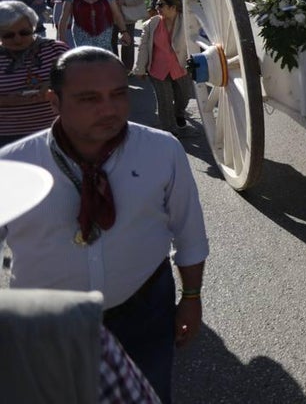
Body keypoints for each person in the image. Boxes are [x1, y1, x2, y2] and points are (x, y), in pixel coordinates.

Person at [0, 46, 209, 402]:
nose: (109, 109)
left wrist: (191, 297)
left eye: (118, 94)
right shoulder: (13, 166)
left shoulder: (162, 150)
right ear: (54, 101)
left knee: (150, 392)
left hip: (144, 312)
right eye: (88, 98)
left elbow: (189, 233)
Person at [0, 0, 70, 147]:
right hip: (6, 138)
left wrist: (53, 85)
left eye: (24, 32)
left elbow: (81, 81)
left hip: (54, 132)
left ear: (33, 28)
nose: (17, 39)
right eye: (8, 35)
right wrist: (7, 100)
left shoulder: (55, 50)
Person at [132, 0, 193, 135]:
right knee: (164, 100)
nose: (156, 7)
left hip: (181, 67)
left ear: (173, 7)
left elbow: (197, 42)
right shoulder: (151, 24)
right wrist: (140, 68)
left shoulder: (188, 22)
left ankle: (179, 113)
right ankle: (169, 131)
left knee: (184, 96)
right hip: (158, 68)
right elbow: (143, 47)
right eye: (156, 4)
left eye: (160, 5)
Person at [58, 0, 133, 52]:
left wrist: (124, 32)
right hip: (82, 36)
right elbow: (63, 19)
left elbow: (118, 16)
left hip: (104, 37)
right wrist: (62, 39)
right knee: (86, 60)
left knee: (103, 61)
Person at [105, 0, 147, 70]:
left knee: (127, 43)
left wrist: (125, 2)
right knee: (111, 42)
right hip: (110, 19)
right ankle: (114, 66)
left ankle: (127, 68)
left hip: (127, 19)